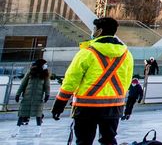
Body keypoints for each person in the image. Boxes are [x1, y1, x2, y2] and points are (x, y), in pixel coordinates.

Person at [51, 16, 134, 145]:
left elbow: (71, 79)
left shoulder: (87, 53)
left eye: (94, 29)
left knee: (84, 141)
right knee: (109, 140)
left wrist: (59, 104)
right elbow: (127, 80)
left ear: (99, 31)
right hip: (114, 106)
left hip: (86, 107)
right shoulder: (126, 54)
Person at [10, 58, 51, 138]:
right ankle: (17, 129)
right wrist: (18, 94)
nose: (46, 66)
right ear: (40, 64)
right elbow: (23, 83)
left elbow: (47, 86)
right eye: (44, 64)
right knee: (22, 113)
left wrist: (47, 94)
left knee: (38, 114)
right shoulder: (30, 72)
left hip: (38, 98)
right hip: (27, 97)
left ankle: (39, 130)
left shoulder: (45, 74)